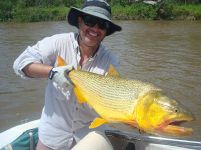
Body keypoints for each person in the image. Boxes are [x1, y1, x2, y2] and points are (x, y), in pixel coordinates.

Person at [13, 0, 122, 149]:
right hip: (52, 137)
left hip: (87, 139)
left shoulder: (111, 61)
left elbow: (113, 102)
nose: (95, 29)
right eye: (90, 21)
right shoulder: (58, 43)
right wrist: (51, 72)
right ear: (79, 21)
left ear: (106, 31)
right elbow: (21, 64)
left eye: (102, 25)